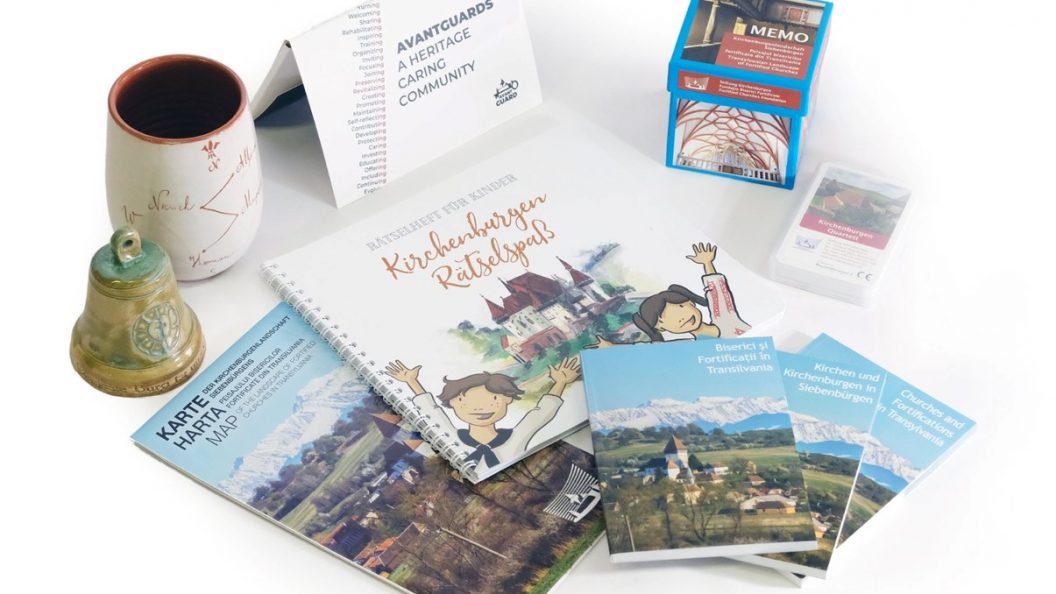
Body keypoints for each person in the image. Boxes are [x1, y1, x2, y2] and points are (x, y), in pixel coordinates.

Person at [383, 357, 581, 472]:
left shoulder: (514, 438)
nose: (479, 408)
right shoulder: (454, 440)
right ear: (453, 403)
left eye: (492, 399)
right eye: (465, 402)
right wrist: (412, 382)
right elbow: (433, 414)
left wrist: (560, 383)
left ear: (507, 399)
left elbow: (539, 415)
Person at [591, 242, 750, 346]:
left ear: (691, 303)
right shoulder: (686, 346)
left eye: (681, 306)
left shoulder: (725, 320)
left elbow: (718, 295)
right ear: (660, 327)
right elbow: (647, 349)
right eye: (662, 318)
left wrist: (707, 263)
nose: (681, 317)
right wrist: (611, 346)